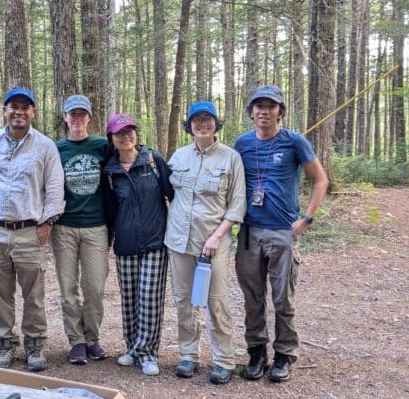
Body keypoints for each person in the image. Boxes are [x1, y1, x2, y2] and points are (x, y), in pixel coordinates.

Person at [0, 87, 65, 372]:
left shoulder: (45, 146)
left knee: (33, 293)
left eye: (25, 107)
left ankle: (34, 345)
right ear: (4, 110)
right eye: (13, 106)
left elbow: (55, 188)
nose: (18, 111)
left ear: (33, 112)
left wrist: (47, 222)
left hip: (30, 231)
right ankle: (5, 343)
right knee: (0, 294)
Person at [234, 85, 328, 382]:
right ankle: (257, 352)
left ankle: (285, 354)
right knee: (252, 297)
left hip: (282, 232)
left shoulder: (294, 142)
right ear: (251, 112)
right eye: (258, 106)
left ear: (280, 111)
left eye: (270, 106)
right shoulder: (242, 144)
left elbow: (320, 180)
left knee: (282, 298)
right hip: (249, 232)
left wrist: (307, 218)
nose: (264, 111)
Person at [164, 100, 246, 384]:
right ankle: (189, 354)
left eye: (207, 119)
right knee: (184, 300)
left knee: (216, 302)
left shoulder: (230, 158)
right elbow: (167, 193)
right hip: (178, 241)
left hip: (213, 243)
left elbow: (236, 206)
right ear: (189, 125)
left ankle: (223, 360)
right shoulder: (178, 157)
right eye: (197, 120)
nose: (202, 124)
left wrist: (217, 236)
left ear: (215, 124)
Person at [102, 113, 174, 376]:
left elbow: (173, 195)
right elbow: (110, 211)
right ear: (112, 138)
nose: (126, 136)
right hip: (126, 244)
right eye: (120, 132)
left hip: (155, 242)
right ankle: (132, 347)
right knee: (130, 299)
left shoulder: (153, 160)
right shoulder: (109, 172)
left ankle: (148, 352)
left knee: (150, 298)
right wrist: (109, 240)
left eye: (130, 130)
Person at [51, 95, 111, 365]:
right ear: (65, 118)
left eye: (81, 114)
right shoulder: (56, 148)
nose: (77, 119)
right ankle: (76, 340)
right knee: (68, 287)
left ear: (89, 117)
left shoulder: (101, 145)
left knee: (95, 287)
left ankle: (92, 338)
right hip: (64, 227)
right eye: (72, 114)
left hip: (96, 227)